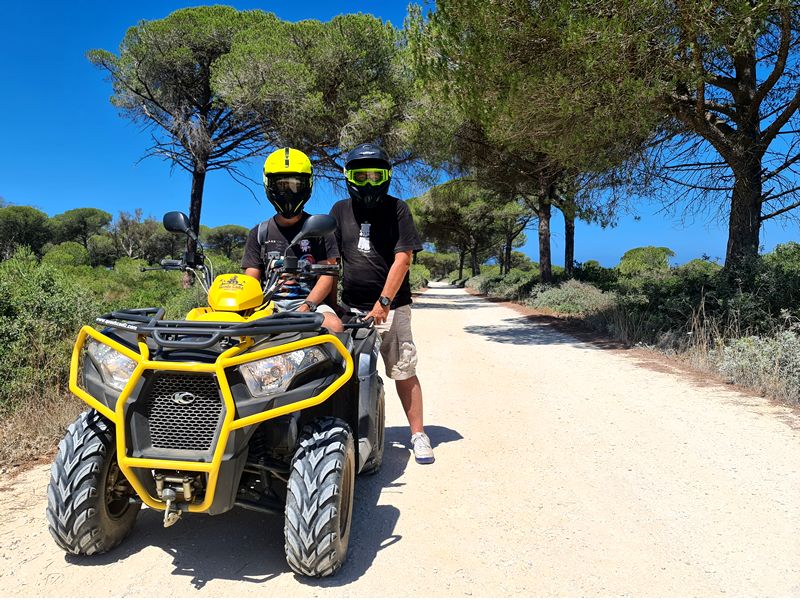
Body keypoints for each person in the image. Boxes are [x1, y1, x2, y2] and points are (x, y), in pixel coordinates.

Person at [329, 143, 434, 464]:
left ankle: (418, 434)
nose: (370, 182)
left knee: (403, 368)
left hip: (392, 308)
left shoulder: (398, 209)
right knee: (343, 372)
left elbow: (403, 259)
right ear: (349, 177)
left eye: (377, 175)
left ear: (387, 177)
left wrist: (384, 302)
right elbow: (333, 262)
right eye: (362, 175)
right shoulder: (339, 211)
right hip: (350, 309)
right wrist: (332, 306)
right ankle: (347, 430)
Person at [241, 147, 343, 333]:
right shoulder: (259, 232)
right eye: (281, 185)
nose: (288, 191)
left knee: (334, 325)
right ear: (269, 185)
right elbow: (251, 281)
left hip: (310, 303)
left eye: (295, 184)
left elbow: (327, 277)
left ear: (307, 185)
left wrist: (307, 306)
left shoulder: (320, 229)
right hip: (270, 304)